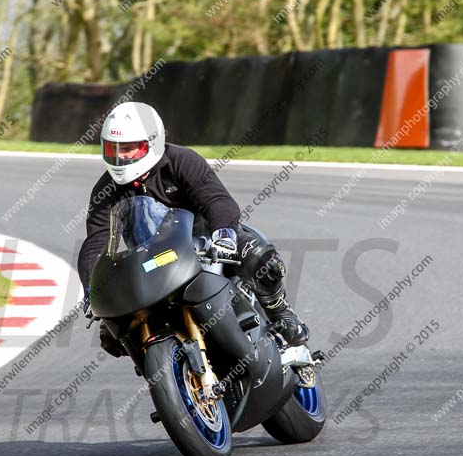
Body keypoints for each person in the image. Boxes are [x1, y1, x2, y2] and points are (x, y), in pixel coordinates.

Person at [77, 102, 309, 357]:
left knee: (259, 258)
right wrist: (91, 287)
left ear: (151, 143)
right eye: (113, 149)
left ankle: (279, 310)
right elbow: (96, 242)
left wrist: (223, 235)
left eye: (129, 149)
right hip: (152, 262)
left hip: (207, 245)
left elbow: (217, 201)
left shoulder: (181, 161)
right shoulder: (105, 189)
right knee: (112, 333)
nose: (120, 157)